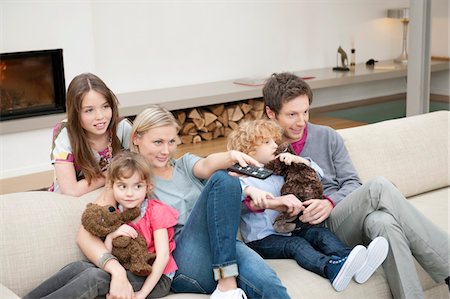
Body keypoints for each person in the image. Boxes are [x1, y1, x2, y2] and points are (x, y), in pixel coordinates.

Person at [77, 104, 298, 299]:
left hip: (223, 248)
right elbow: (85, 234)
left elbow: (207, 164)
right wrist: (114, 268)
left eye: (171, 141)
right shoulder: (130, 181)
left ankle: (226, 283)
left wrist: (230, 157)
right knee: (223, 180)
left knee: (268, 282)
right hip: (185, 264)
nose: (166, 150)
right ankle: (227, 282)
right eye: (158, 142)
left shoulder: (184, 165)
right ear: (136, 138)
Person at [263, 72, 450, 299]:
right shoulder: (264, 148)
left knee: (384, 223)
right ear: (271, 113)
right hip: (311, 231)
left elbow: (352, 182)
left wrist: (330, 202)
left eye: (305, 112)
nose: (301, 121)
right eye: (292, 114)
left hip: (341, 218)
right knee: (379, 186)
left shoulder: (328, 136)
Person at [227, 119, 389, 292]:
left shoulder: (278, 171)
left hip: (290, 228)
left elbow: (317, 176)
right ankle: (331, 268)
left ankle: (353, 260)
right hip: (261, 239)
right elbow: (243, 197)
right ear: (248, 150)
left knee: (319, 233)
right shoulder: (241, 178)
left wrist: (299, 161)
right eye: (267, 142)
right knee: (296, 245)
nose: (275, 145)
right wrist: (256, 193)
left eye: (275, 141)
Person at [24, 150, 178, 299]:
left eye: (137, 186)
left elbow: (163, 256)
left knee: (94, 277)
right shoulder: (115, 213)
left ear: (148, 187)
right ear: (112, 186)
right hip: (128, 269)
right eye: (122, 186)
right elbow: (110, 254)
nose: (130, 193)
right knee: (78, 266)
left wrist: (142, 293)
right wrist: (111, 236)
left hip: (156, 278)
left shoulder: (156, 211)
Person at [49, 72, 132, 196]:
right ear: (75, 113)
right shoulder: (65, 133)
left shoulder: (122, 128)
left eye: (105, 106)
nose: (100, 116)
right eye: (89, 110)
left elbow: (139, 171)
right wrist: (109, 175)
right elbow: (70, 190)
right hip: (72, 199)